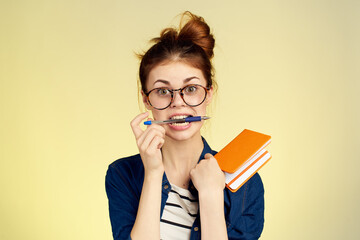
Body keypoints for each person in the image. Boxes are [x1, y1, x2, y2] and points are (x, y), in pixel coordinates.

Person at [105, 11, 265, 240]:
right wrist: (152, 174)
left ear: (208, 94)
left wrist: (211, 196)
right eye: (162, 91)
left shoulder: (245, 182)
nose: (178, 103)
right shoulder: (122, 175)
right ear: (146, 99)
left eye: (190, 89)